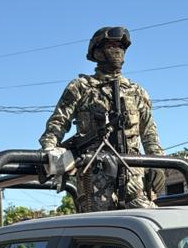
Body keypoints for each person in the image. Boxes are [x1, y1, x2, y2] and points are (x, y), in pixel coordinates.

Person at [39, 26, 165, 212]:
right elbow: (58, 122)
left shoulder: (136, 91)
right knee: (97, 231)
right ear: (97, 52)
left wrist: (158, 163)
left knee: (148, 221)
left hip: (133, 172)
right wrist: (50, 149)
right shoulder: (81, 87)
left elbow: (149, 133)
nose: (117, 51)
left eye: (121, 47)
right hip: (95, 174)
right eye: (111, 46)